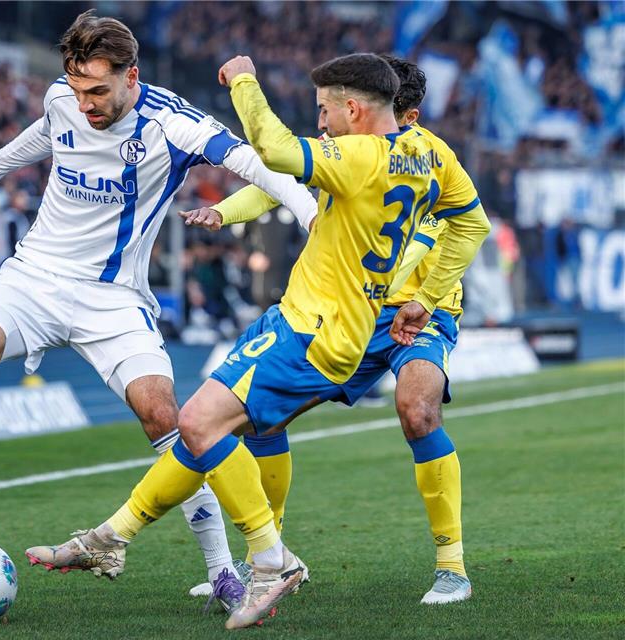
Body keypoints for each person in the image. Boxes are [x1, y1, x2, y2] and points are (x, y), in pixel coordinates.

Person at [0, 11, 318, 615]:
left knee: (167, 417)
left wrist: (311, 217)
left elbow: (260, 166)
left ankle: (221, 571)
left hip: (113, 297)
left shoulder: (174, 124)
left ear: (132, 76)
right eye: (77, 90)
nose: (85, 104)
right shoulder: (64, 98)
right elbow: (45, 131)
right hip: (34, 275)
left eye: (98, 91)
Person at [26, 53, 490, 629]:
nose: (321, 122)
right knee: (226, 427)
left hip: (344, 321)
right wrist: (226, 213)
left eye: (326, 109)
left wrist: (243, 78)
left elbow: (275, 152)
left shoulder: (369, 155)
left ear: (365, 109)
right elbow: (282, 185)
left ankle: (305, 562)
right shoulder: (415, 156)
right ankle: (113, 537)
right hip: (335, 315)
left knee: (405, 411)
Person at [184, 55, 484, 606]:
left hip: (419, 311)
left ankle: (452, 568)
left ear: (406, 114)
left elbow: (458, 229)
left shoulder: (430, 157)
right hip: (353, 311)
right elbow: (283, 183)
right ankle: (267, 558)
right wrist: (225, 212)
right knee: (261, 415)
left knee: (418, 409)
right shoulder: (353, 148)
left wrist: (424, 299)